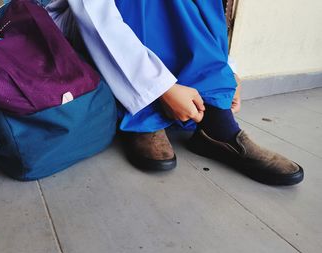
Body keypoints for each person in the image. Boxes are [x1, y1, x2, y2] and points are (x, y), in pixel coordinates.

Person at [46, 0, 304, 185]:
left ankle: (216, 119)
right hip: (79, 23)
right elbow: (94, 14)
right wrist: (161, 88)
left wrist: (226, 70)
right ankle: (146, 115)